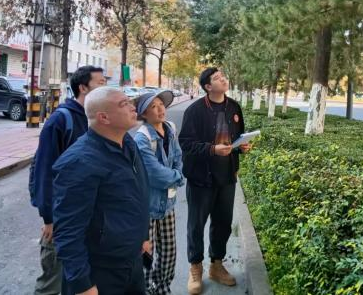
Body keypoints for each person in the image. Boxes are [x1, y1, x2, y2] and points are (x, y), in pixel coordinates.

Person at [52, 86, 150, 295]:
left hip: (131, 261)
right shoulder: (79, 161)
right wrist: (82, 283)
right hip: (100, 271)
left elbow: (138, 194)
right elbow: (68, 230)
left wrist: (143, 236)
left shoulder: (128, 143)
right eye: (124, 104)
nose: (133, 107)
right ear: (103, 117)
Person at [30, 66, 106, 295]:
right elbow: (44, 171)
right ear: (83, 88)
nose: (105, 86)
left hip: (90, 214)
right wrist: (49, 218)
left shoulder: (97, 119)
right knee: (52, 281)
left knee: (82, 279)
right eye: (100, 82)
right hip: (63, 217)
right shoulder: (61, 120)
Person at [179, 67, 251, 295]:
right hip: (201, 178)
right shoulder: (195, 110)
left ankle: (216, 265)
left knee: (222, 223)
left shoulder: (234, 107)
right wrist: (212, 149)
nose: (223, 79)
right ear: (208, 87)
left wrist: (241, 147)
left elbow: (237, 136)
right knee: (196, 225)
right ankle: (195, 268)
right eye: (217, 78)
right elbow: (186, 143)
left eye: (223, 76)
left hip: (227, 176)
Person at [134, 90, 185, 295]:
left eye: (161, 104)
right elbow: (154, 173)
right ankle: (146, 289)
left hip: (167, 204)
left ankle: (163, 288)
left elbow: (178, 156)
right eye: (153, 107)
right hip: (147, 206)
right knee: (146, 254)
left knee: (169, 252)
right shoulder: (142, 138)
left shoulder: (170, 128)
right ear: (144, 114)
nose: (159, 109)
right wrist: (178, 177)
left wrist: (177, 173)